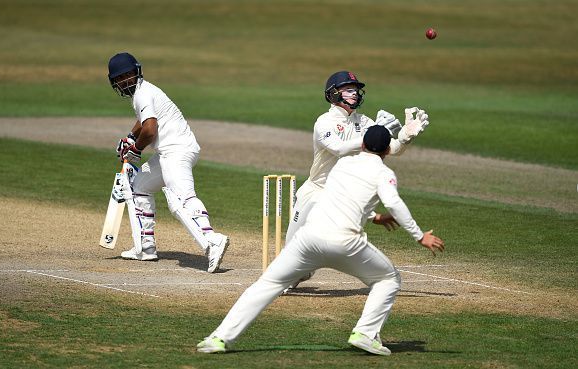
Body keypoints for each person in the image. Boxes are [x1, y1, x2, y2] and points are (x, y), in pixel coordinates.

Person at [197, 125, 444, 355]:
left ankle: (219, 338)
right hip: (345, 243)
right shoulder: (384, 172)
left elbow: (341, 197)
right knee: (388, 279)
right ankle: (366, 333)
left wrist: (374, 216)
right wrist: (419, 236)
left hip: (308, 239)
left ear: (362, 146)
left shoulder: (343, 164)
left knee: (267, 284)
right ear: (388, 150)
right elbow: (394, 203)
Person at [285, 70, 430, 290]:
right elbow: (339, 148)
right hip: (316, 191)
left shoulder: (364, 121)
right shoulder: (324, 122)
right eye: (348, 90)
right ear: (333, 94)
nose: (354, 94)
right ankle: (296, 272)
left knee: (340, 241)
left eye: (356, 90)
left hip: (342, 194)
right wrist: (373, 132)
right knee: (290, 251)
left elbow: (389, 149)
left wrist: (404, 138)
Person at [107, 52, 229, 273]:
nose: (124, 80)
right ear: (114, 81)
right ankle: (145, 248)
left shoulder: (143, 93)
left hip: (176, 151)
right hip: (169, 153)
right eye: (120, 77)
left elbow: (150, 130)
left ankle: (213, 240)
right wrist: (131, 137)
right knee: (139, 187)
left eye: (127, 75)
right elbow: (144, 122)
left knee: (181, 199)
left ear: (136, 72)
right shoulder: (143, 93)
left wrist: (135, 150)